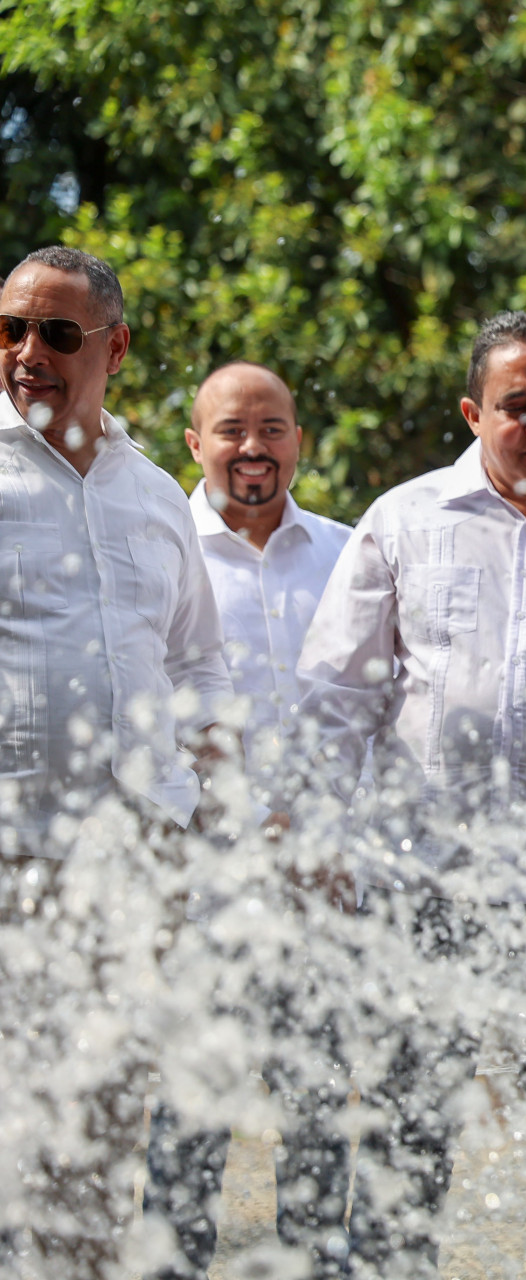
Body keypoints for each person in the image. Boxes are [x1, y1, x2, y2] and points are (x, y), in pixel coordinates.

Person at [295, 311, 526, 1280]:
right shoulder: (404, 518)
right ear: (473, 414)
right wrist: (322, 836)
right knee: (406, 1137)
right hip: (425, 881)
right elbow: (335, 697)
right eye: (517, 406)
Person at [0, 247, 234, 1278]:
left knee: (98, 1134)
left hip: (138, 863)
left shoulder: (156, 496)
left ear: (116, 347)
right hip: (14, 858)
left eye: (57, 333)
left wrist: (211, 801)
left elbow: (199, 663)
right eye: (10, 329)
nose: (27, 353)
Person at [142, 362, 355, 1279]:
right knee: (189, 1138)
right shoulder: (158, 555)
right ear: (196, 443)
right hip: (205, 898)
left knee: (320, 1134)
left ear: (298, 440)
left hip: (324, 896)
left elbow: (372, 712)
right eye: (231, 429)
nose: (253, 447)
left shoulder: (350, 555)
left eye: (272, 428)